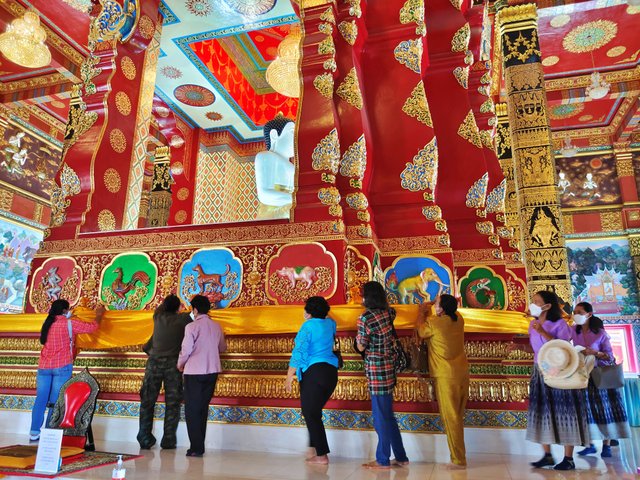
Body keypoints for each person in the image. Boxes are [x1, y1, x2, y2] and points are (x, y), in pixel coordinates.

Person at [526, 290, 590, 471]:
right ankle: (546, 454)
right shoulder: (533, 324)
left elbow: (561, 347)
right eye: (533, 301)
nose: (533, 304)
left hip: (559, 370)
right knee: (542, 411)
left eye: (537, 301)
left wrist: (543, 331)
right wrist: (520, 347)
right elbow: (537, 349)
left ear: (547, 305)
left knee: (564, 410)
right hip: (540, 370)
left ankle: (568, 457)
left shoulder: (559, 323)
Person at [30, 299, 104, 441]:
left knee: (40, 399)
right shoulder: (69, 323)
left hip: (44, 367)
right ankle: (49, 431)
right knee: (56, 401)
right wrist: (99, 314)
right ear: (65, 310)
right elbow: (92, 327)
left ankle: (34, 432)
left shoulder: (47, 323)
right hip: (62, 366)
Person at [356, 281, 409, 470]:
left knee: (381, 417)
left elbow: (361, 345)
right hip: (389, 367)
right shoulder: (389, 313)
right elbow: (392, 311)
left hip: (376, 369)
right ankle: (401, 457)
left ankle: (383, 459)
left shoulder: (365, 318)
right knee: (388, 415)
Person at [416, 294, 469, 469]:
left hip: (446, 376)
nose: (434, 306)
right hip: (462, 373)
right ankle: (459, 455)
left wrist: (421, 312)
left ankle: (458, 459)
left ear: (442, 308)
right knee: (457, 416)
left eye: (437, 303)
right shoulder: (459, 319)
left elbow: (421, 332)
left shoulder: (434, 322)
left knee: (450, 417)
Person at [571, 302, 630, 457]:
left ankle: (607, 446)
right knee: (585, 410)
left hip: (600, 375)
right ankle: (589, 444)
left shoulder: (600, 333)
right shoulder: (573, 331)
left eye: (579, 312)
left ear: (589, 314)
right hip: (583, 375)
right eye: (574, 311)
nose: (575, 314)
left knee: (605, 410)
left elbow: (610, 356)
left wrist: (595, 353)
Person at [285, 296, 339, 465]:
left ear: (308, 312)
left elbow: (298, 352)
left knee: (310, 413)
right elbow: (331, 318)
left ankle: (321, 455)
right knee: (314, 412)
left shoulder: (307, 326)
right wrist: (318, 313)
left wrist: (289, 376)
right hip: (331, 373)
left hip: (314, 372)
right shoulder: (330, 324)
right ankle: (314, 449)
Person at [137, 294, 192, 450]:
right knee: (173, 403)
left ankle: (144, 436)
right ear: (177, 308)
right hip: (172, 365)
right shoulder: (183, 320)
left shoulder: (157, 316)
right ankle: (168, 439)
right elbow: (196, 313)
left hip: (153, 362)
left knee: (147, 401)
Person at [177, 295, 226, 457]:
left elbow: (186, 350)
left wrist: (180, 364)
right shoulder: (217, 326)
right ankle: (199, 446)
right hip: (212, 371)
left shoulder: (191, 327)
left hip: (194, 372)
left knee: (192, 409)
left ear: (195, 310)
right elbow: (222, 348)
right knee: (202, 408)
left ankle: (196, 447)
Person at [254, 114, 295, 219]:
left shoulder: (294, 166)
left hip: (291, 210)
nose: (296, 139)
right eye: (292, 133)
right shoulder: (265, 156)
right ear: (274, 135)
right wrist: (296, 198)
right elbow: (265, 194)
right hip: (273, 213)